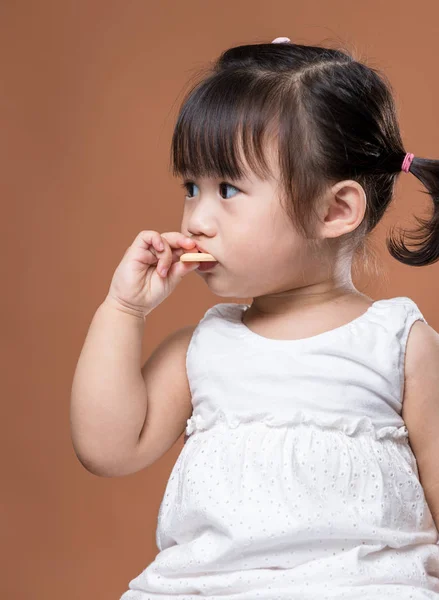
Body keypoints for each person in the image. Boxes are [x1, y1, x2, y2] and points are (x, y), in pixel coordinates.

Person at [70, 37, 439, 599]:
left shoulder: (398, 343)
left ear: (335, 210)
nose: (196, 218)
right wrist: (123, 309)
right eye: (191, 187)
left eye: (227, 189)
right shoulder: (204, 348)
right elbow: (107, 448)